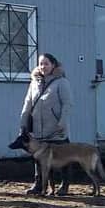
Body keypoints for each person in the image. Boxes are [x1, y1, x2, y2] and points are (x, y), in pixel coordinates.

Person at [19, 53, 73, 194]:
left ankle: (64, 185)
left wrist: (62, 122)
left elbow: (67, 104)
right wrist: (23, 122)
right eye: (41, 63)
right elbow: (28, 103)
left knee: (63, 158)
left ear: (53, 65)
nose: (43, 66)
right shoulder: (34, 83)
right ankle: (39, 184)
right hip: (38, 129)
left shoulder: (61, 82)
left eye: (46, 63)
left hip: (56, 128)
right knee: (39, 158)